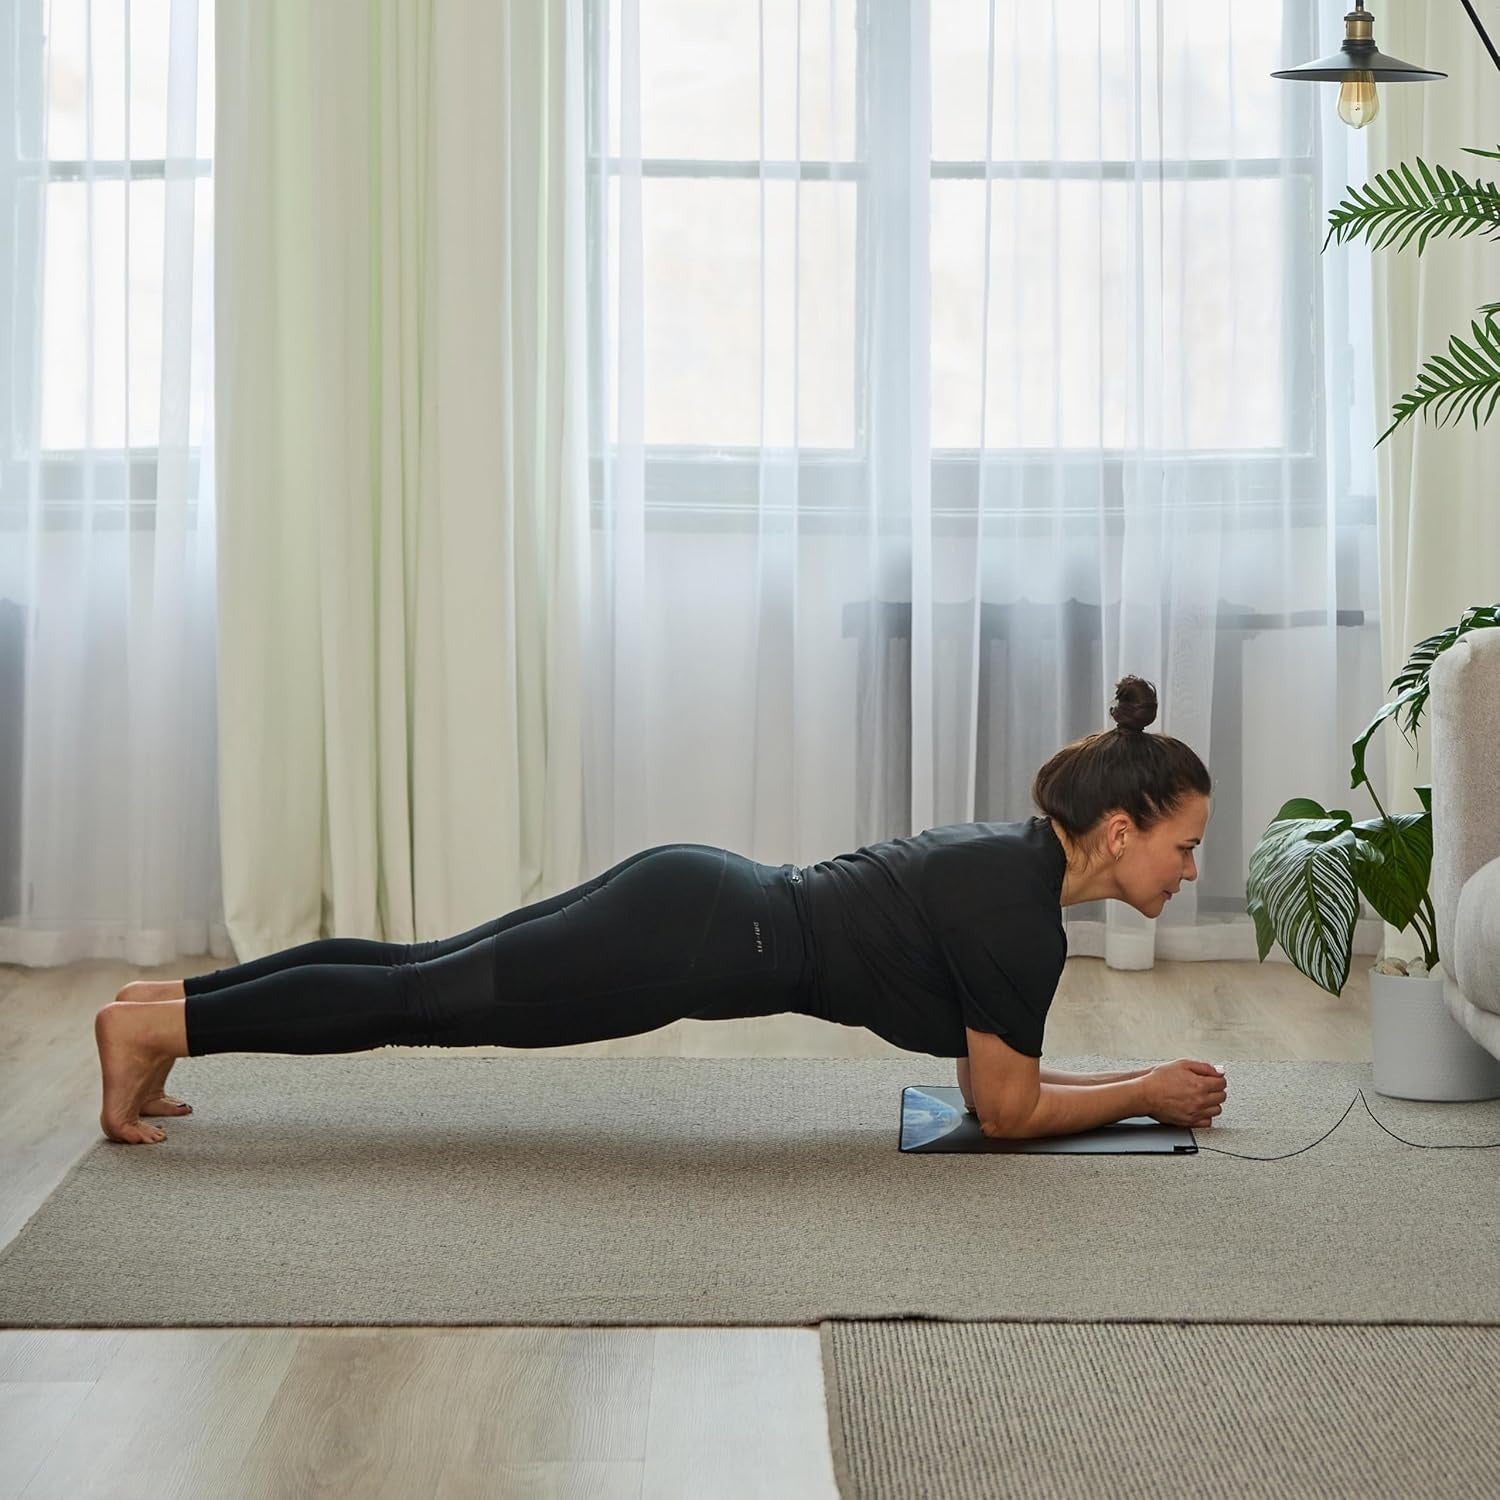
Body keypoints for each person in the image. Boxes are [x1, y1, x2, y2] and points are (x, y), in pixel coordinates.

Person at [94, 674, 1223, 1145]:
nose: (1188, 872)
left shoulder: (1012, 864)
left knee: (417, 969)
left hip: (696, 892)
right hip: (688, 939)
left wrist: (1136, 1088)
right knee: (422, 1001)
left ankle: (163, 1007)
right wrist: (1145, 1095)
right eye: (1184, 846)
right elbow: (1007, 1113)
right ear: (1121, 831)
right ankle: (158, 1029)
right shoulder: (1020, 918)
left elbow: (992, 1088)